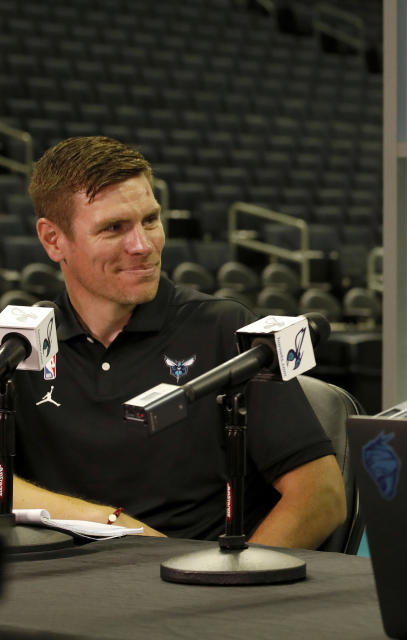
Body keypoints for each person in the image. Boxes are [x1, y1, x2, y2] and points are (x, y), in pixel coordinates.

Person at [11, 136, 346, 548]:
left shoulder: (229, 330)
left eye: (150, 220)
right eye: (114, 228)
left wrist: (225, 589)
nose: (143, 245)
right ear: (52, 240)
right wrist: (106, 520)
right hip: (63, 593)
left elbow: (321, 497)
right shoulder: (18, 346)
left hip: (195, 589)